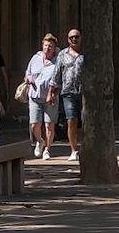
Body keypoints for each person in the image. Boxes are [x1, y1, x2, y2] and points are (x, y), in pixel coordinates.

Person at [20, 31, 62, 158]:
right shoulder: (35, 58)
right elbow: (28, 72)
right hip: (34, 96)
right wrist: (28, 78)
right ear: (42, 45)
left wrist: (53, 92)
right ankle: (40, 141)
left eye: (50, 46)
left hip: (51, 97)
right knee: (34, 124)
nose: (47, 48)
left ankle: (47, 150)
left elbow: (59, 80)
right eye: (46, 45)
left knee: (49, 124)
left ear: (54, 49)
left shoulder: (57, 62)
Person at [56, 26, 87, 162]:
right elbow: (57, 73)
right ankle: (74, 150)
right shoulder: (62, 54)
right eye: (71, 37)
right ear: (68, 40)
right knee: (71, 120)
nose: (74, 39)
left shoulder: (86, 54)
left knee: (86, 121)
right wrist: (52, 91)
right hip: (68, 92)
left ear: (81, 38)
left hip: (85, 93)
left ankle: (87, 147)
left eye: (76, 37)